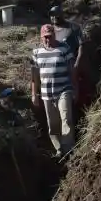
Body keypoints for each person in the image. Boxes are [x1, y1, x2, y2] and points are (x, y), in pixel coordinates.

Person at [30, 23, 77, 157]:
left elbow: (72, 70)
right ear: (41, 37)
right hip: (46, 94)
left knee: (66, 119)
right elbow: (34, 76)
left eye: (50, 36)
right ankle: (59, 149)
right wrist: (34, 94)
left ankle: (68, 149)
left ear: (54, 36)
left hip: (64, 89)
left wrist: (75, 88)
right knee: (53, 124)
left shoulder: (64, 48)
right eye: (45, 37)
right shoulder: (36, 53)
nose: (48, 39)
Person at [49, 5, 91, 111]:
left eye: (57, 15)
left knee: (75, 91)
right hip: (56, 67)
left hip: (71, 64)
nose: (54, 18)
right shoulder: (50, 30)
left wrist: (77, 63)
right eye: (52, 16)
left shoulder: (73, 27)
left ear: (62, 15)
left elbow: (81, 45)